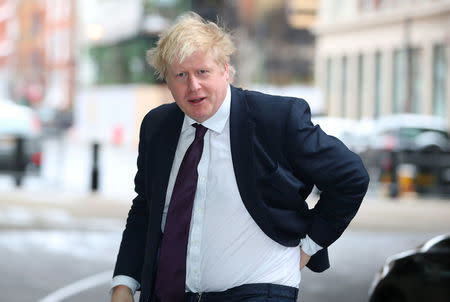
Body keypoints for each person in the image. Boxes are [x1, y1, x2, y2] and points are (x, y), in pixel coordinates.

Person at [111, 12, 369, 302]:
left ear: (225, 69)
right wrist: (124, 282)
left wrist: (310, 246)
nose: (193, 85)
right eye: (181, 75)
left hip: (261, 288)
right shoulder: (157, 127)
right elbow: (145, 208)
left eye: (202, 72)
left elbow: (351, 176)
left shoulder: (276, 118)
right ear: (167, 82)